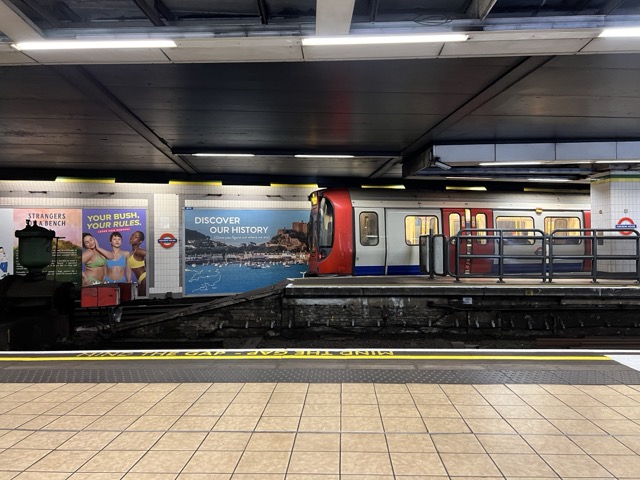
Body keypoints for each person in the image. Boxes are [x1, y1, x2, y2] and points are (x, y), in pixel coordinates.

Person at [128, 230, 146, 296]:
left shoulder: (138, 251)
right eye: (132, 235)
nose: (133, 237)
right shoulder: (133, 252)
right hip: (140, 280)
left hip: (144, 278)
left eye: (136, 237)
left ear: (140, 241)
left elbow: (151, 255)